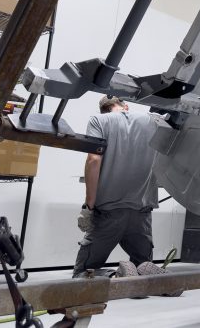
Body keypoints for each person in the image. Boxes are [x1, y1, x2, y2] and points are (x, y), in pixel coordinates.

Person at [73, 96, 160, 279]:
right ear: (125, 106)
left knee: (82, 274)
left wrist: (88, 207)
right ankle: (154, 278)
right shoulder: (152, 121)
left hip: (108, 213)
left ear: (103, 110)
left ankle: (115, 275)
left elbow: (93, 160)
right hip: (141, 213)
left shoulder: (99, 120)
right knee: (143, 268)